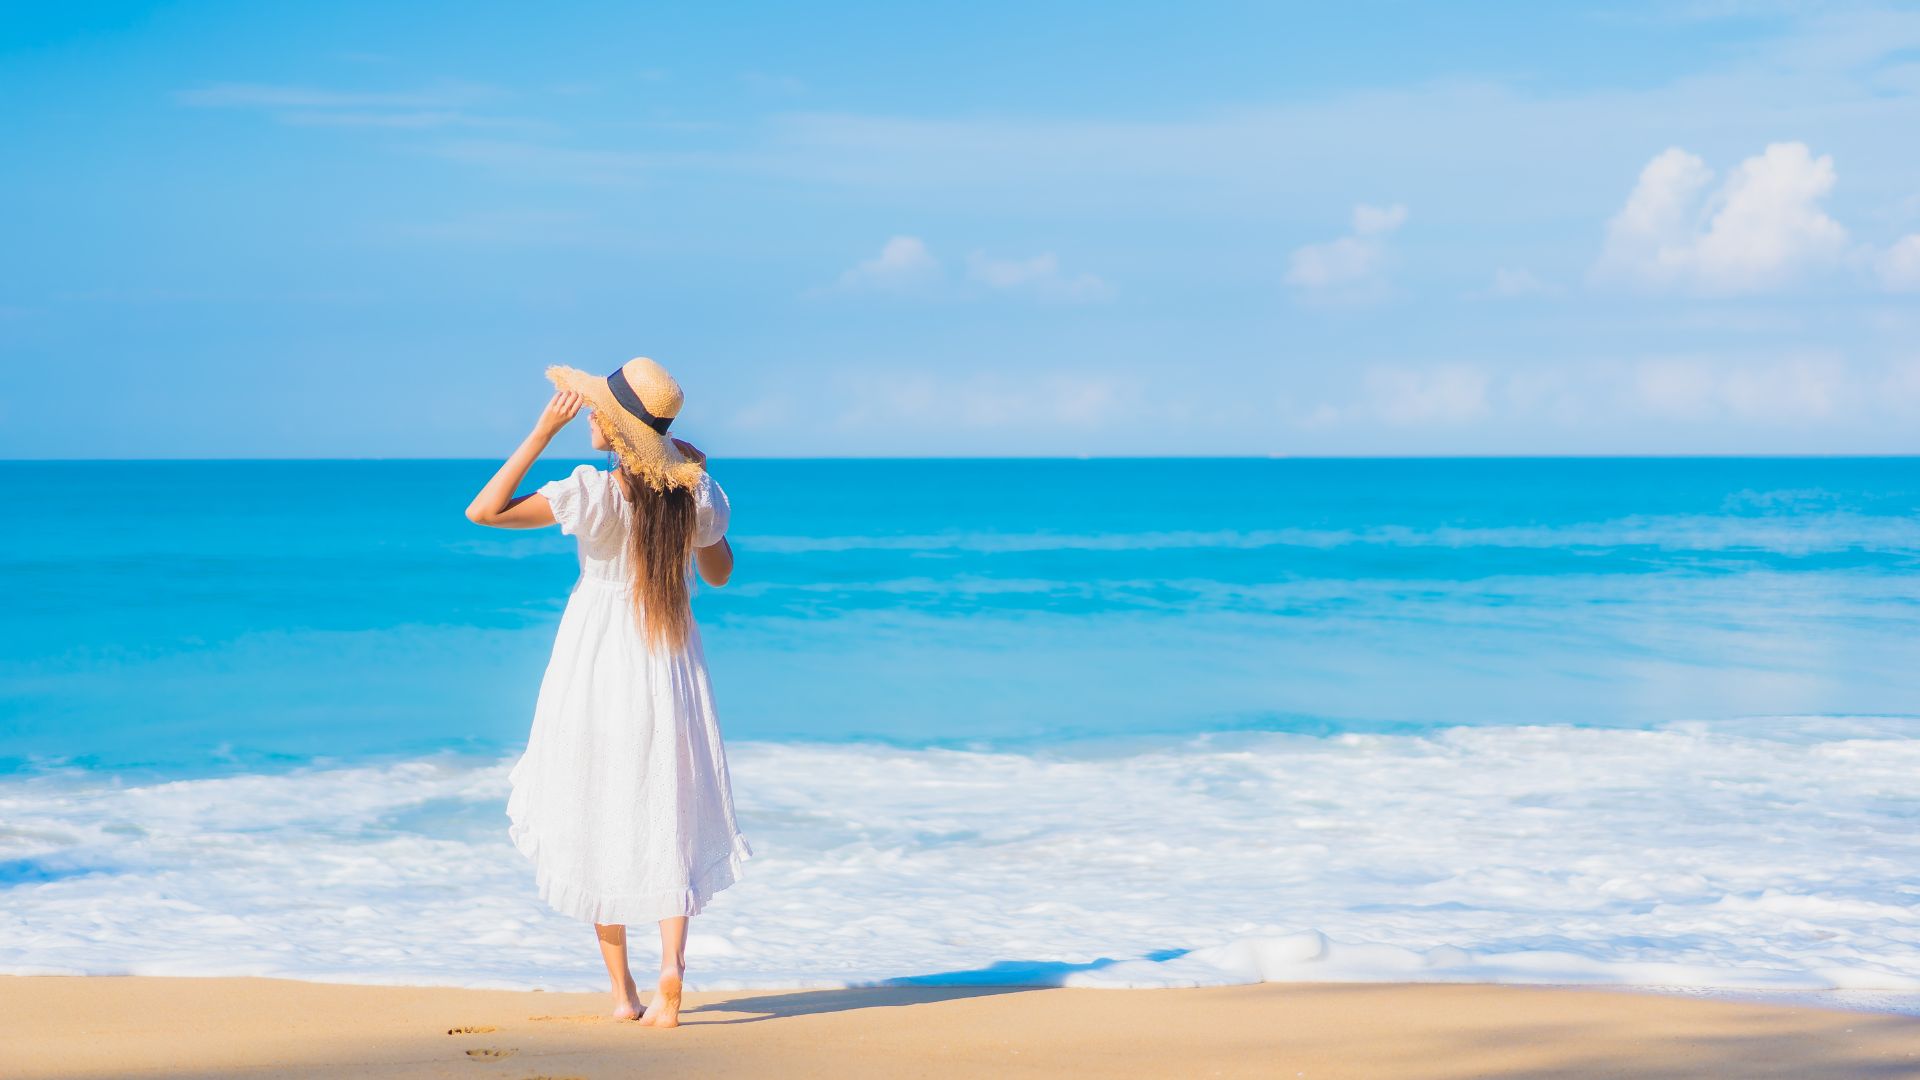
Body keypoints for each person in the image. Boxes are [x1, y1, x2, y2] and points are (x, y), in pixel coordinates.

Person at [465, 357, 749, 1028]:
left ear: (621, 433)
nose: (589, 414)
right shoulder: (694, 496)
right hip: (670, 661)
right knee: (666, 803)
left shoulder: (591, 492)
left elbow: (486, 510)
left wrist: (538, 433)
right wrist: (695, 481)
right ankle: (672, 971)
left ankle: (624, 996)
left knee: (592, 801)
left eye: (600, 411)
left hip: (595, 665)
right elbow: (721, 573)